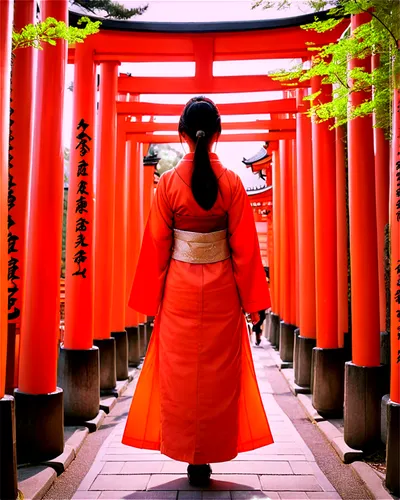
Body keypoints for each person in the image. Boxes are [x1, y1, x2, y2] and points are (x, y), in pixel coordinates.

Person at [123, 96, 273, 487]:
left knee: (180, 376)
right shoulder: (233, 183)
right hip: (222, 289)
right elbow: (244, 249)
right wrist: (255, 303)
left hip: (179, 292)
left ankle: (190, 453)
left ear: (182, 134)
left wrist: (148, 301)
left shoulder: (170, 183)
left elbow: (156, 245)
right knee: (219, 376)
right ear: (217, 133)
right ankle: (209, 452)